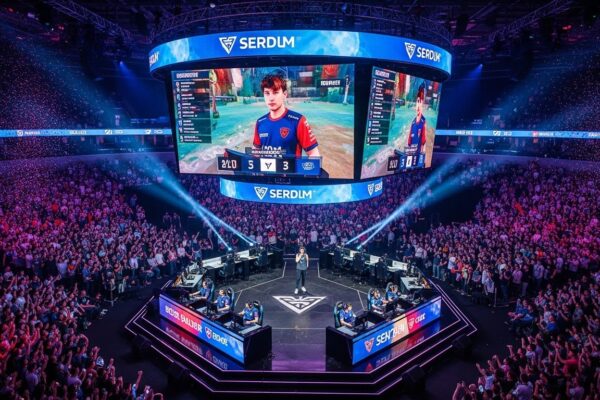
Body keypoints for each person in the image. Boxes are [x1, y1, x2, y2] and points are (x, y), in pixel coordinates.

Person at [253, 74, 320, 158]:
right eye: (267, 93)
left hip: (291, 167)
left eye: (275, 92)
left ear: (284, 94)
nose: (271, 98)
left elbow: (314, 154)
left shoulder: (298, 121)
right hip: (267, 167)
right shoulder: (260, 122)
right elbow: (256, 153)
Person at [406, 86, 427, 162]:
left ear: (423, 105)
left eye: (420, 103)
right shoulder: (413, 122)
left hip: (418, 154)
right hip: (411, 153)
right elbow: (409, 140)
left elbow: (424, 141)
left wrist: (421, 154)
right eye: (417, 102)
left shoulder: (423, 122)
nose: (418, 106)